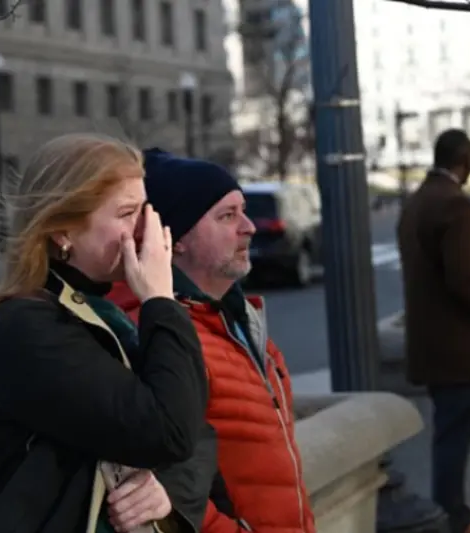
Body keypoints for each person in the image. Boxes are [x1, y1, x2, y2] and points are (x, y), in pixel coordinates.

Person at [0, 133, 215, 533]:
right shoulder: (26, 327)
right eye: (127, 213)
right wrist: (160, 299)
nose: (145, 230)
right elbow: (169, 431)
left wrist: (167, 493)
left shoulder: (102, 312)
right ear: (63, 231)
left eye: (145, 210)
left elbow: (197, 429)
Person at [108, 148, 316, 533]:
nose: (249, 227)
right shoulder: (153, 330)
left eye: (243, 211)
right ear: (174, 238)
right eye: (227, 216)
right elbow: (164, 488)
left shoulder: (238, 317)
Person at [396, 129, 470, 533]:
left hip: (432, 343)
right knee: (454, 441)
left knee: (448, 436)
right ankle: (454, 520)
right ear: (466, 161)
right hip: (462, 347)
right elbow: (465, 282)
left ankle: (452, 516)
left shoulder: (418, 202)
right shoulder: (455, 205)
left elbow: (439, 268)